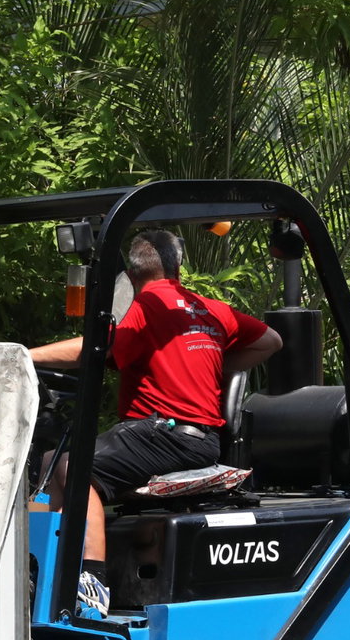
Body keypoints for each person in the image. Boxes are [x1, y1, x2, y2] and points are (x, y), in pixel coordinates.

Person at [29, 228, 282, 618]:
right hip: (196, 438)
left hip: (166, 434)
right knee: (49, 463)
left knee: (75, 466)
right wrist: (218, 365)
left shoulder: (147, 305)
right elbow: (271, 341)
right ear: (178, 267)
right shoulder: (211, 308)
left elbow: (97, 349)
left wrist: (22, 355)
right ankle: (37, 570)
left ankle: (90, 583)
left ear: (130, 275)